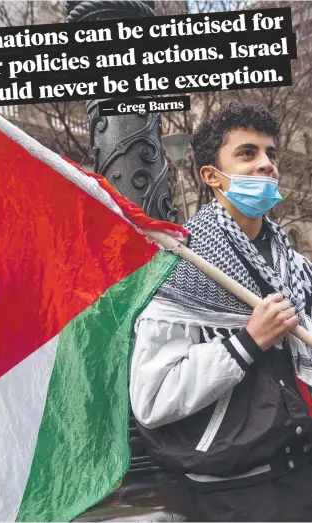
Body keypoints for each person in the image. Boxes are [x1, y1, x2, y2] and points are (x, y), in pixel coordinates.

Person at [130, 102, 312, 521]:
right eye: (248, 153)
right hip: (231, 494)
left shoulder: (295, 267)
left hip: (300, 473)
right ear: (211, 176)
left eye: (270, 154)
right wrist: (249, 341)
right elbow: (153, 398)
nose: (267, 165)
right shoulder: (182, 269)